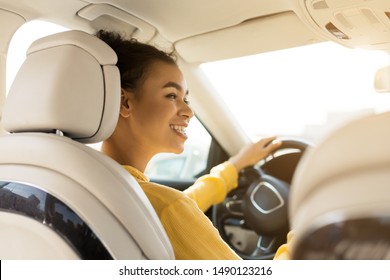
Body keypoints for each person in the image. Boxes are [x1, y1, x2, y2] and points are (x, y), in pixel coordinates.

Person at [96, 30, 282, 260]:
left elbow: (172, 211)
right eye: (172, 95)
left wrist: (233, 167)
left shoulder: (89, 181)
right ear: (125, 102)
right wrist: (307, 230)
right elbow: (172, 211)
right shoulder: (163, 206)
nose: (189, 111)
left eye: (185, 99)